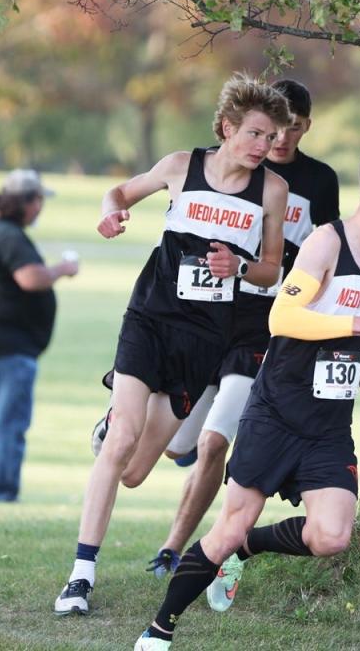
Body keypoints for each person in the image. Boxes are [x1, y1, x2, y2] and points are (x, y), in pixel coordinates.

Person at [132, 141, 360, 651]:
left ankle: (248, 549)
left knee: (332, 537)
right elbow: (283, 318)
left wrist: (359, 361)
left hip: (328, 423)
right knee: (226, 527)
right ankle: (159, 630)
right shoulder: (325, 243)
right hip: (275, 411)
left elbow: (332, 320)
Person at [53, 74, 292, 616]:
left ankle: (112, 422)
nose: (264, 146)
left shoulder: (271, 191)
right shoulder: (181, 166)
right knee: (121, 443)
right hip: (151, 319)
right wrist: (109, 212)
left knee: (135, 471)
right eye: (255, 134)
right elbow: (119, 192)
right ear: (228, 128)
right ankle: (80, 577)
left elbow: (272, 268)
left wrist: (243, 267)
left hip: (205, 338)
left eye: (270, 137)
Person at [140, 79, 341, 577]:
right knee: (178, 444)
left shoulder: (317, 181)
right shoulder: (236, 165)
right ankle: (172, 445)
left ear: (304, 127)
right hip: (208, 315)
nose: (279, 140)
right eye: (272, 130)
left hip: (265, 322)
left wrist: (336, 329)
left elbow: (335, 259)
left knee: (215, 442)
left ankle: (174, 548)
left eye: (291, 129)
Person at [0, 169, 79, 502]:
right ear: (25, 202)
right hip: (5, 342)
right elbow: (31, 278)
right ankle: (1, 492)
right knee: (5, 422)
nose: (40, 208)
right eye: (38, 201)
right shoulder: (8, 235)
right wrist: (63, 269)